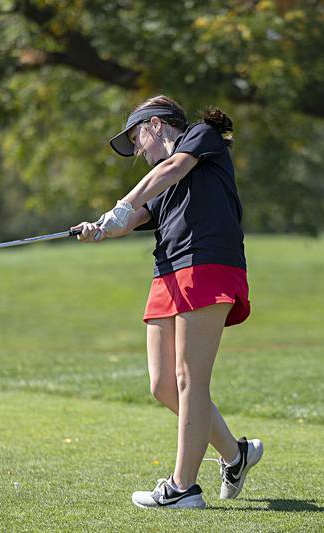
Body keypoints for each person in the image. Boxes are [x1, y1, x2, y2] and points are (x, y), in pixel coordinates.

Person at [72, 95, 263, 510]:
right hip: (168, 270)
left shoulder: (201, 137)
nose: (138, 150)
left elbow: (170, 171)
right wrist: (100, 229)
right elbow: (139, 217)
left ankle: (183, 488)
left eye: (138, 138)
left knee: (189, 378)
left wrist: (123, 205)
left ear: (157, 125)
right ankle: (236, 454)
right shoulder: (161, 181)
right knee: (162, 384)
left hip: (207, 261)